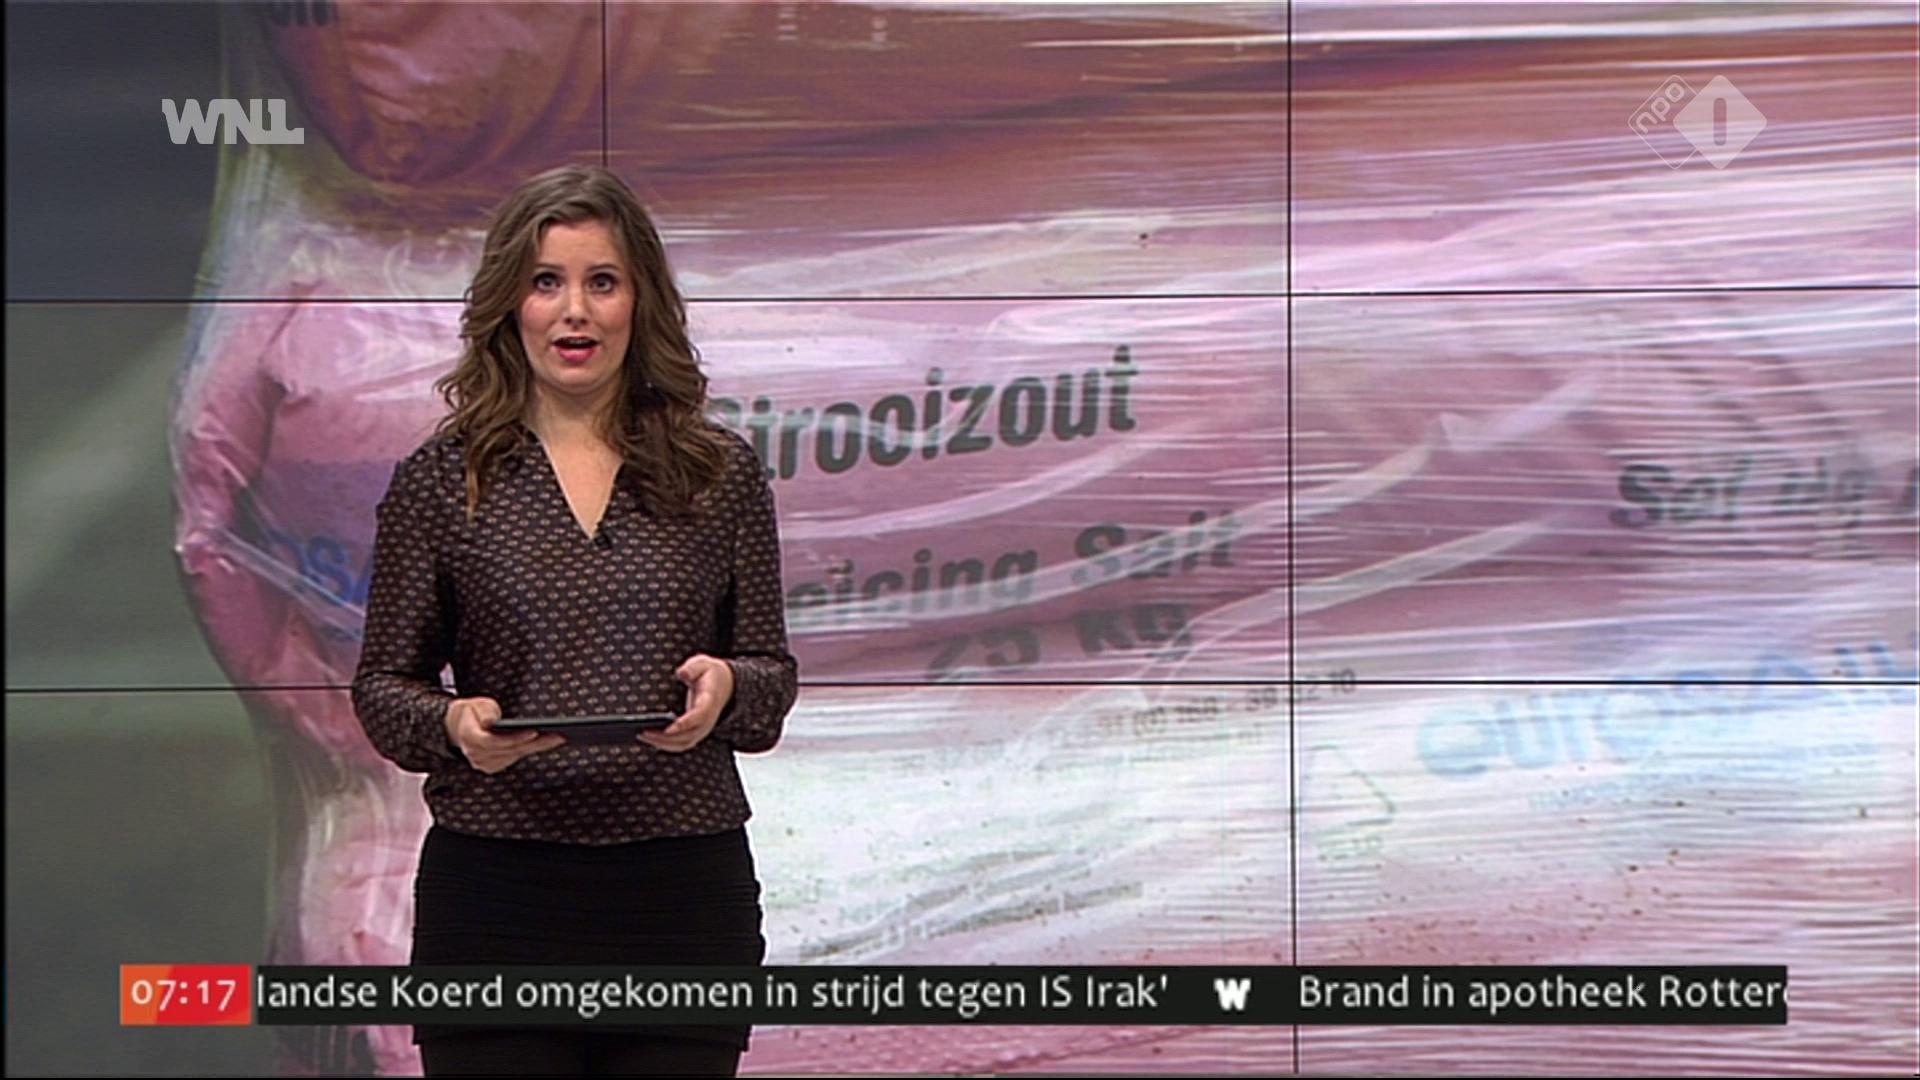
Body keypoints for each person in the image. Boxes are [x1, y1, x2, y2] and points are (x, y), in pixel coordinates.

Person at [351, 163, 798, 1077]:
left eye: (602, 282)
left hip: (681, 894)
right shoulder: (441, 481)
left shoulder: (719, 474)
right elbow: (384, 688)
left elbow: (769, 680)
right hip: (497, 894)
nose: (575, 312)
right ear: (509, 304)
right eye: (546, 282)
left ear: (641, 302)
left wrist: (727, 688)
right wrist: (453, 726)